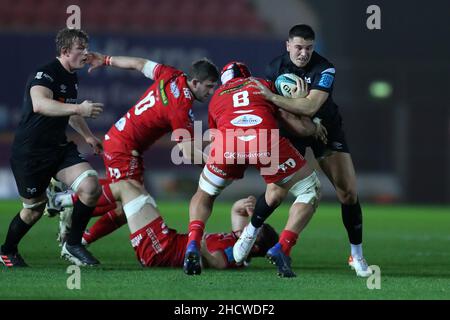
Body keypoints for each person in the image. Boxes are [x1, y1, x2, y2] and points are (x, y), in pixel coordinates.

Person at [46, 53, 219, 247]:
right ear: (195, 82)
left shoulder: (172, 75)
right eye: (209, 86)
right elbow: (188, 153)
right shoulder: (181, 108)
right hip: (124, 147)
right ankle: (64, 203)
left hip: (120, 140)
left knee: (125, 206)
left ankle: (77, 232)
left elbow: (139, 63)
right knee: (131, 202)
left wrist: (105, 60)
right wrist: (216, 165)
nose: (212, 92)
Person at [183, 62, 321, 277]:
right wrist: (311, 122)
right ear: (247, 75)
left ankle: (193, 242)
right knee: (309, 190)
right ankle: (283, 247)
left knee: (205, 194)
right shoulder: (263, 84)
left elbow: (214, 135)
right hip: (265, 141)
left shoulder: (217, 96)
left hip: (226, 144)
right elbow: (297, 126)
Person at [261, 24, 372, 277]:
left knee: (348, 192)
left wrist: (273, 97)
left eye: (309, 48)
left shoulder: (325, 68)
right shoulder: (274, 67)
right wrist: (293, 116)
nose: (303, 53)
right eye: (298, 47)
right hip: (292, 129)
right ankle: (246, 240)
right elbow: (270, 110)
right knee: (275, 193)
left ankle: (356, 255)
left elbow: (311, 106)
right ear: (288, 45)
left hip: (327, 129)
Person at [0, 28, 104, 267]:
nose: (86, 53)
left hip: (58, 149)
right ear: (66, 51)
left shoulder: (72, 76)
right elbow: (40, 104)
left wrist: (88, 136)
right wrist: (79, 109)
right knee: (33, 209)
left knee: (90, 186)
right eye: (81, 49)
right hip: (31, 153)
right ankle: (7, 250)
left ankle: (73, 244)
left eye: (87, 48)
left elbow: (67, 109)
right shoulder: (44, 74)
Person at [47, 188, 278, 269]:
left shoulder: (236, 256)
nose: (247, 229)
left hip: (161, 249)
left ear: (255, 245)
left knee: (129, 189)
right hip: (163, 244)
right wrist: (245, 208)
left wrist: (199, 243)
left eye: (254, 230)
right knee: (125, 206)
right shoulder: (241, 242)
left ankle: (61, 201)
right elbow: (236, 212)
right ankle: (79, 241)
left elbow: (218, 263)